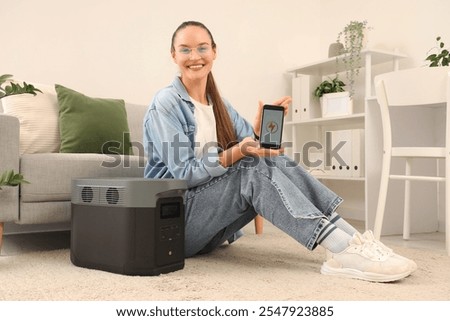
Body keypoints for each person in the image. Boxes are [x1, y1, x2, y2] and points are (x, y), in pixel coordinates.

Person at [143, 21, 416, 282]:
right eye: (185, 49)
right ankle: (341, 248)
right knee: (251, 168)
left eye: (202, 47)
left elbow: (252, 149)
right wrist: (240, 151)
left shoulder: (219, 104)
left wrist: (259, 133)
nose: (195, 56)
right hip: (174, 227)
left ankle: (354, 242)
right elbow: (185, 174)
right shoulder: (166, 103)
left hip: (208, 229)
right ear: (173, 55)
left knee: (275, 161)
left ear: (214, 51)